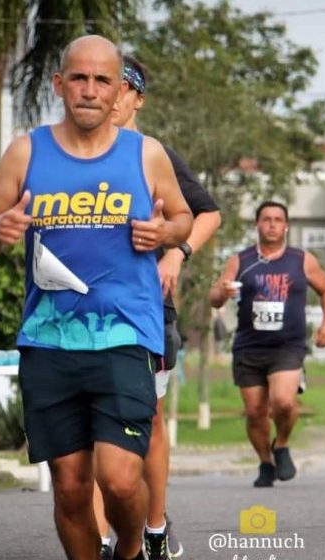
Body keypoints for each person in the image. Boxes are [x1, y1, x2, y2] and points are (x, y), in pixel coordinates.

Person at [0, 35, 192, 560]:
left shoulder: (147, 154)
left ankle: (132, 550)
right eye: (79, 78)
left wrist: (164, 235)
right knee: (70, 487)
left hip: (123, 335)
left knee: (118, 479)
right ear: (60, 84)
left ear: (119, 92)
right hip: (48, 341)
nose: (89, 90)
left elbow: (182, 217)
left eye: (101, 80)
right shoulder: (27, 151)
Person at [91, 55, 221, 560]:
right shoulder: (73, 153)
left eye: (120, 87)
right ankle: (105, 538)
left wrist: (176, 252)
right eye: (101, 84)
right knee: (90, 425)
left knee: (149, 419)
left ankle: (155, 527)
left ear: (137, 97)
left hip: (145, 311)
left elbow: (207, 212)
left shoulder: (153, 155)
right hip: (81, 313)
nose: (109, 96)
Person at [208, 201, 325, 487]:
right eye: (266, 219)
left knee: (284, 401)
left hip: (287, 346)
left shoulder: (302, 260)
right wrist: (222, 292)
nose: (272, 224)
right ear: (257, 225)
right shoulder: (240, 261)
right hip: (249, 347)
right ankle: (266, 462)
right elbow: (214, 297)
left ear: (286, 225)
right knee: (254, 413)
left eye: (278, 219)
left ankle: (283, 444)